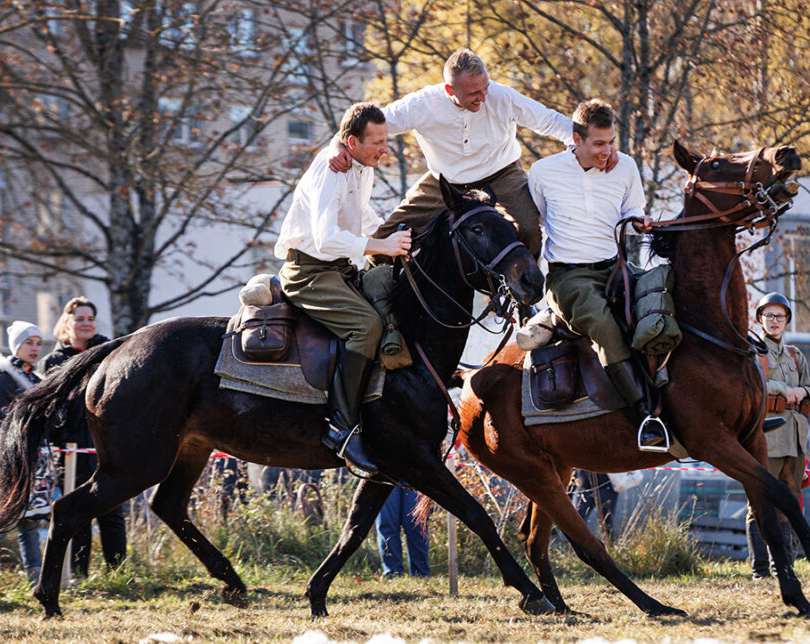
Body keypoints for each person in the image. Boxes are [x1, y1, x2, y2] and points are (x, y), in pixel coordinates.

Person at [329, 48, 588, 259]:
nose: (483, 97)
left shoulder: (501, 96)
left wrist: (584, 145)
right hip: (445, 182)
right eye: (473, 93)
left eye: (484, 87)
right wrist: (339, 145)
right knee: (386, 241)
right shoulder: (421, 104)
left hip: (502, 173)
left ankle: (521, 297)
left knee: (528, 230)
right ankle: (392, 303)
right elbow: (367, 124)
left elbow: (550, 120)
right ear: (449, 90)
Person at [275, 102, 412, 475]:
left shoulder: (360, 164)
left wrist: (389, 235)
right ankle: (340, 428)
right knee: (366, 326)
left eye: (386, 140)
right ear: (351, 141)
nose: (385, 149)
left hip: (337, 267)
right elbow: (325, 236)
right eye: (377, 142)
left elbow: (361, 216)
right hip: (308, 272)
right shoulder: (331, 169)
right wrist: (382, 247)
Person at [528, 99, 664, 451]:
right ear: (576, 140)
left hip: (613, 267)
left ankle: (677, 393)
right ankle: (645, 413)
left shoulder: (626, 167)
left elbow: (633, 209)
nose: (607, 151)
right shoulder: (543, 172)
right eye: (599, 144)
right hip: (567, 277)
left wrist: (638, 221)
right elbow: (538, 221)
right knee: (604, 324)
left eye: (612, 142)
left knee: (660, 299)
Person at [43, 296, 127, 577]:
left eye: (90, 319)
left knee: (113, 512)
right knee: (79, 513)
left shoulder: (109, 351)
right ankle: (80, 576)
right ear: (67, 322)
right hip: (72, 448)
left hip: (109, 444)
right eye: (80, 319)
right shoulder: (54, 361)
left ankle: (118, 574)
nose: (86, 324)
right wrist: (62, 438)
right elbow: (50, 409)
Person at [0, 322, 47, 600]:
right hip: (5, 461)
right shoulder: (1, 376)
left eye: (38, 343)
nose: (35, 348)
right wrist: (8, 458)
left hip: (34, 461)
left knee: (29, 525)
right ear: (16, 345)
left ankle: (37, 586)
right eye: (29, 343)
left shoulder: (37, 380)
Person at [745, 293, 810, 579]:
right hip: (765, 435)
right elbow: (750, 382)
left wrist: (803, 392)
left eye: (780, 316)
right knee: (760, 502)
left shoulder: (795, 355)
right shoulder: (752, 350)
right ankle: (761, 568)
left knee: (788, 501)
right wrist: (777, 387)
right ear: (760, 319)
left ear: (787, 320)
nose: (775, 322)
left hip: (793, 437)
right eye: (769, 316)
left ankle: (782, 565)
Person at [375, 486, 430, 578]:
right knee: (387, 524)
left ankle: (420, 575)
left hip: (416, 475)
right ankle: (393, 574)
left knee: (415, 523)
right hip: (384, 475)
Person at [568, 470, 619, 541]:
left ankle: (609, 547)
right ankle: (584, 548)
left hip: (606, 488)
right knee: (577, 522)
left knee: (607, 525)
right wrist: (568, 493)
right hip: (583, 488)